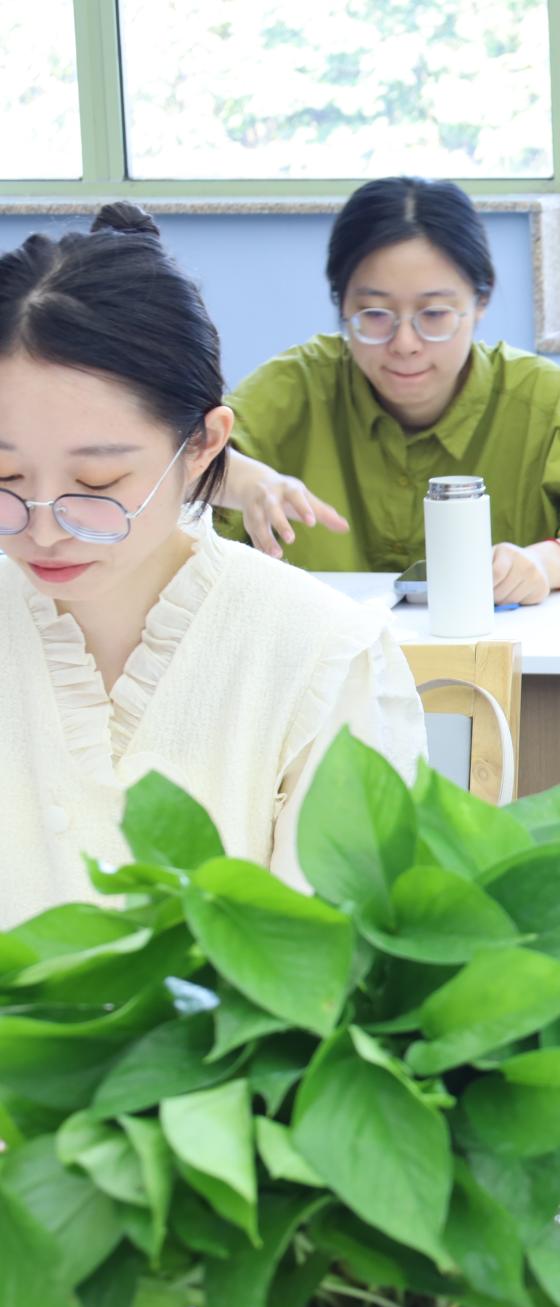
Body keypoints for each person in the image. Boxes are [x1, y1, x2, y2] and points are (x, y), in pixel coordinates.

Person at [0, 205, 426, 924]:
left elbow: (334, 960)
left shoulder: (321, 654)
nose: (42, 528)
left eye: (96, 485)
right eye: (6, 477)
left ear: (202, 445)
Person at [214, 176, 560, 603]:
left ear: (480, 301)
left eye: (434, 315)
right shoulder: (297, 387)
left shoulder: (540, 397)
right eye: (374, 314)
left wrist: (545, 564)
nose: (405, 344)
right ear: (341, 303)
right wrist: (244, 479)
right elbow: (187, 459)